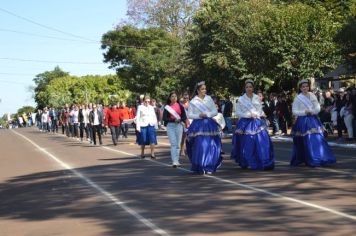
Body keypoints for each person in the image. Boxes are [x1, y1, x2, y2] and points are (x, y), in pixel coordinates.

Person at [290, 79, 336, 167]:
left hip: (313, 119)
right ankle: (310, 158)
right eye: (303, 87)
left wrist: (313, 111)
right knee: (306, 141)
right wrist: (304, 112)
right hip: (303, 121)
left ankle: (321, 157)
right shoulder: (298, 98)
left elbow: (317, 107)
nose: (305, 88)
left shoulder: (312, 95)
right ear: (300, 88)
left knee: (318, 138)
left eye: (306, 86)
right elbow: (294, 111)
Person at [231, 79, 275, 170]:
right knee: (247, 143)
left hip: (257, 121)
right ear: (245, 88)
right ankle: (248, 161)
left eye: (250, 87)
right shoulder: (241, 99)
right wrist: (248, 115)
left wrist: (258, 114)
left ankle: (263, 160)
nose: (249, 88)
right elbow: (238, 112)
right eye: (247, 87)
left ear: (253, 88)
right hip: (245, 123)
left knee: (262, 141)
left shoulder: (256, 97)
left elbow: (259, 109)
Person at [186, 81, 222, 174]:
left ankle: (209, 166)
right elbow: (189, 114)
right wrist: (199, 115)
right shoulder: (193, 101)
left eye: (205, 89)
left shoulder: (209, 99)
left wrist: (207, 114)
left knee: (210, 145)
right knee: (200, 145)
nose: (204, 90)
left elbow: (215, 111)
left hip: (209, 124)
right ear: (198, 90)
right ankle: (200, 165)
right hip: (198, 125)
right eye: (202, 89)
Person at [162, 92, 188, 168]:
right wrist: (173, 120)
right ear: (170, 98)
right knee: (173, 143)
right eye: (172, 96)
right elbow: (164, 118)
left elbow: (184, 116)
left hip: (179, 125)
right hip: (170, 126)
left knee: (178, 144)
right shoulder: (167, 107)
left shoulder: (180, 106)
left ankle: (177, 160)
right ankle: (174, 161)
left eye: (175, 96)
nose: (174, 98)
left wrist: (180, 120)